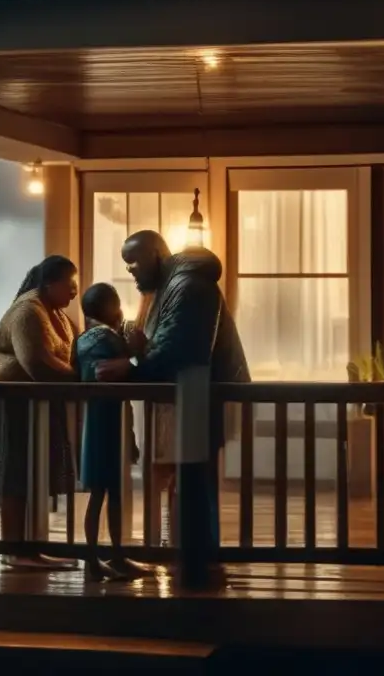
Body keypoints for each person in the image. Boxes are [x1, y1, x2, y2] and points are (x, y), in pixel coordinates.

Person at [96, 230, 249, 574]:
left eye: (134, 261)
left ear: (156, 255)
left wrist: (131, 365)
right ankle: (192, 558)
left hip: (201, 398)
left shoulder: (189, 286)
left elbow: (182, 349)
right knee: (193, 479)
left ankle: (199, 562)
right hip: (195, 399)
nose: (131, 270)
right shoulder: (176, 286)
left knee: (196, 479)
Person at [0, 255, 80, 570]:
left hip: (31, 402)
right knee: (14, 473)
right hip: (10, 401)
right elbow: (36, 361)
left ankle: (29, 548)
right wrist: (80, 379)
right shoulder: (28, 310)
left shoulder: (53, 312)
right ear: (51, 283)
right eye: (71, 285)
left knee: (29, 473)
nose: (75, 292)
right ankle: (15, 551)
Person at [74, 283, 146, 581]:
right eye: (117, 306)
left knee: (98, 493)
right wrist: (137, 348)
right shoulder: (107, 338)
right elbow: (129, 363)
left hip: (94, 420)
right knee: (112, 492)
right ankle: (112, 556)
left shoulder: (82, 340)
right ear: (109, 308)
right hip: (111, 420)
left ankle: (95, 558)